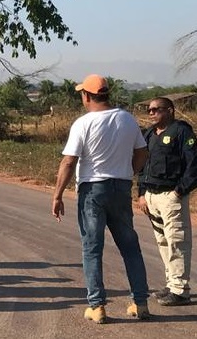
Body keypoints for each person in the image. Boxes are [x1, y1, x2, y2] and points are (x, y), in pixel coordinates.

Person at [51, 74, 151, 324]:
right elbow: (142, 152)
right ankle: (140, 303)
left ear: (87, 96)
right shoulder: (127, 119)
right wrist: (129, 172)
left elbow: (68, 161)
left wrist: (57, 195)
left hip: (93, 191)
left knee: (92, 249)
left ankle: (97, 306)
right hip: (121, 188)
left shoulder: (83, 123)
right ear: (107, 93)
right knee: (130, 247)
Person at [137, 97, 197, 306]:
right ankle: (172, 284)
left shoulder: (181, 132)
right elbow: (143, 164)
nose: (151, 113)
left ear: (170, 110)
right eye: (149, 110)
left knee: (177, 241)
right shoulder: (149, 134)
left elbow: (193, 166)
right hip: (151, 196)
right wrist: (142, 193)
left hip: (171, 196)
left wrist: (179, 192)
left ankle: (180, 290)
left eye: (156, 109)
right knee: (163, 242)